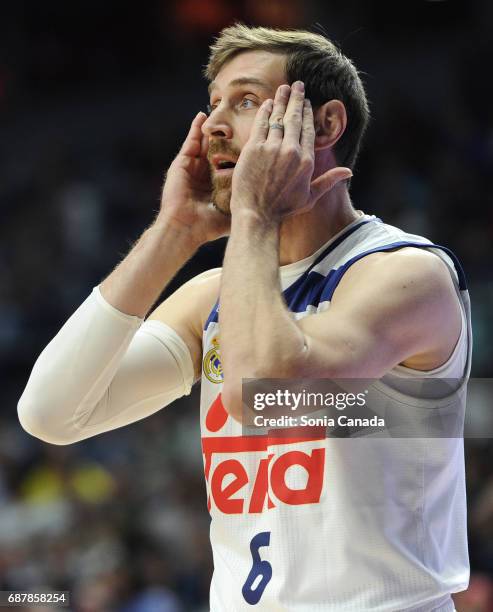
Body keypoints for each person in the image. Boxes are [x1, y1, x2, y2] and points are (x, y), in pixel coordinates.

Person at [18, 24, 470, 612]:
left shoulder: (404, 273)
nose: (215, 127)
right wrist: (174, 233)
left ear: (327, 125)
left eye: (249, 101)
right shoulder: (215, 291)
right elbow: (50, 414)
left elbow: (264, 389)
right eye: (213, 106)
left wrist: (254, 215)